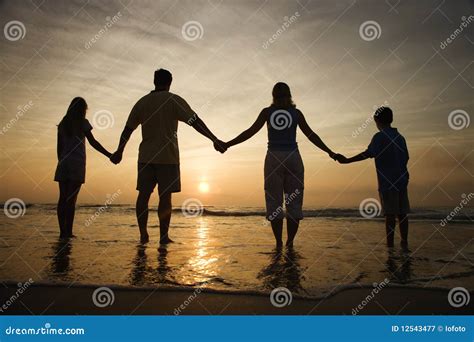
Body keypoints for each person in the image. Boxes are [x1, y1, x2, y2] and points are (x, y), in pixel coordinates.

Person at [110, 69, 226, 245]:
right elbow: (195, 121)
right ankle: (163, 237)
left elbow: (128, 130)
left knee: (143, 196)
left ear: (154, 81)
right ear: (170, 82)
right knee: (165, 198)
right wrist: (214, 139)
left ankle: (143, 234)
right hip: (168, 157)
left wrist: (119, 150)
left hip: (146, 157)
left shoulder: (142, 102)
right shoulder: (173, 100)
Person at [222, 82, 339, 248]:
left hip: (274, 158)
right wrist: (330, 152)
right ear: (290, 95)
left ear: (273, 96)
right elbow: (311, 135)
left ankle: (278, 243)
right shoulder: (296, 113)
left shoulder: (267, 112)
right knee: (294, 201)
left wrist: (228, 144)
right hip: (293, 157)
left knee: (274, 201)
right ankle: (290, 243)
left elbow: (250, 131)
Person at [337, 107, 410, 249]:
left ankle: (390, 247)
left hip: (388, 182)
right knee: (402, 213)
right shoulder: (400, 138)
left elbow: (368, 153)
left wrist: (347, 160)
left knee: (389, 214)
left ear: (377, 121)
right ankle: (404, 243)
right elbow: (406, 157)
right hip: (402, 180)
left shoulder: (380, 137)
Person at [54, 97, 112, 238]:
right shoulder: (82, 123)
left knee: (62, 198)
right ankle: (69, 232)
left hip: (63, 163)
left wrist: (61, 161)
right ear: (83, 110)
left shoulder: (63, 123)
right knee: (71, 199)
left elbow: (59, 147)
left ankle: (62, 231)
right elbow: (93, 142)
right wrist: (109, 154)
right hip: (77, 163)